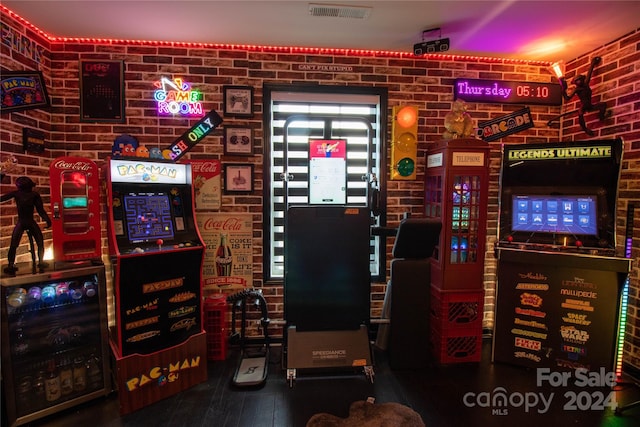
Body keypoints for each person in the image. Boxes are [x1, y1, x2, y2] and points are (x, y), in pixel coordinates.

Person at [1, 176, 52, 274]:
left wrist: (47, 219)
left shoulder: (34, 195)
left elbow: (40, 210)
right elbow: (2, 199)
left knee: (40, 242)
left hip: (29, 221)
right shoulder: (17, 194)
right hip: (23, 221)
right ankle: (11, 264)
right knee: (14, 244)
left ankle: (40, 261)